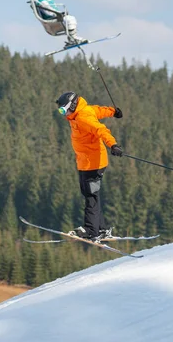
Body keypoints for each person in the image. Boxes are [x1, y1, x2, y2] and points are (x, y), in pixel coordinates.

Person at [55, 91, 124, 241]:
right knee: (91, 194)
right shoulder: (83, 111)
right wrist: (113, 112)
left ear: (73, 106)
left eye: (64, 110)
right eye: (61, 111)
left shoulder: (83, 117)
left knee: (91, 196)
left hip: (93, 163)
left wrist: (113, 145)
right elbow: (99, 110)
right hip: (85, 163)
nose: (64, 114)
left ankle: (91, 230)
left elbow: (101, 130)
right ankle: (101, 229)